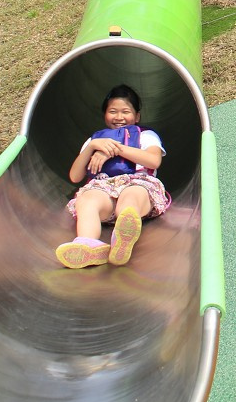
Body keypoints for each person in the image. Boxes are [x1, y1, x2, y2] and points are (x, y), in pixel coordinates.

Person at [56, 85, 170, 269]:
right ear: (104, 115)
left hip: (137, 183)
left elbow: (153, 161)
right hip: (104, 188)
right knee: (87, 199)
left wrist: (114, 150)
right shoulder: (96, 140)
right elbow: (75, 176)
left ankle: (123, 235)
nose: (119, 117)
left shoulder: (145, 135)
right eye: (113, 111)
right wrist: (93, 147)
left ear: (137, 116)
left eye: (125, 111)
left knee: (131, 196)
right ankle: (87, 245)